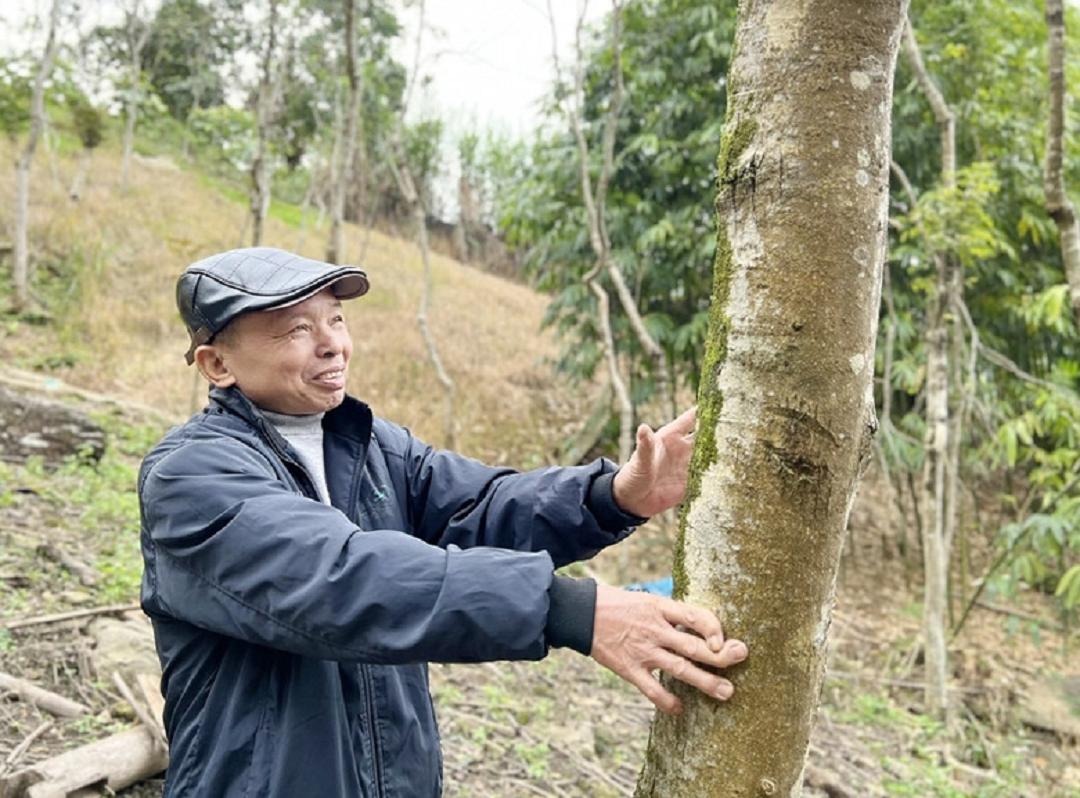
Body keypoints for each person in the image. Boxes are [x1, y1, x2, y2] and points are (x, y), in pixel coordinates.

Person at [138, 246, 748, 798]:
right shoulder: (190, 476)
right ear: (217, 364)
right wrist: (570, 611)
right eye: (297, 329)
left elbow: (478, 506)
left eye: (336, 320)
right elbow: (342, 580)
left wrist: (611, 496)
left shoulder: (371, 446)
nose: (333, 345)